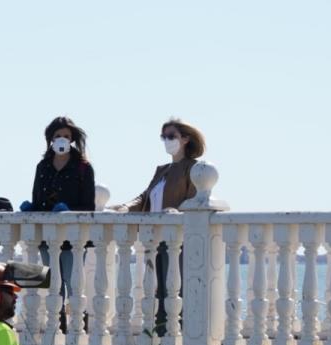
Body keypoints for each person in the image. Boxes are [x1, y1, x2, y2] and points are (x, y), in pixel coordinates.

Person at [110, 119, 207, 333]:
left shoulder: (194, 168)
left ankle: (177, 333)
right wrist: (125, 207)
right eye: (163, 137)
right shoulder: (162, 170)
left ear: (185, 139)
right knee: (159, 289)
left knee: (176, 289)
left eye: (171, 136)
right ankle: (161, 334)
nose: (166, 141)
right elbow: (145, 196)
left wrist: (176, 213)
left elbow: (194, 200)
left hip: (179, 241)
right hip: (156, 239)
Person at [27, 117, 96, 331]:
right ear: (50, 140)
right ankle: (57, 328)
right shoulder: (43, 166)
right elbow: (37, 198)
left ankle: (78, 329)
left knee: (72, 282)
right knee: (53, 284)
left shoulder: (83, 168)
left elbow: (89, 206)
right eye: (57, 136)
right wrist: (31, 208)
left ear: (73, 139)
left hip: (73, 237)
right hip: (47, 237)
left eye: (66, 136)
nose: (62, 140)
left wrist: (68, 210)